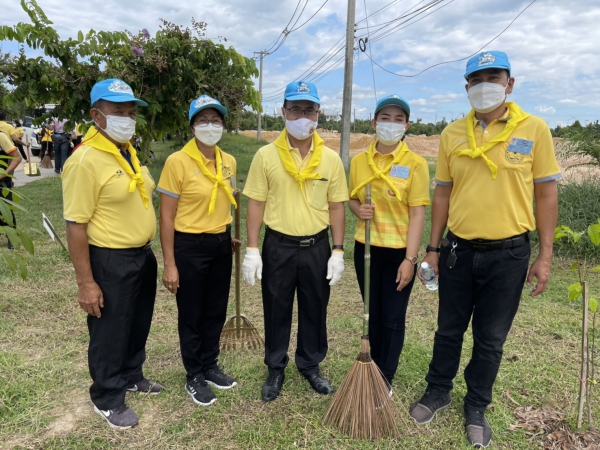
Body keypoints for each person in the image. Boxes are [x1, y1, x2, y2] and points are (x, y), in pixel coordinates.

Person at [408, 51, 561, 448]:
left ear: (510, 84)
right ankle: (437, 390)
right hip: (457, 251)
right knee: (448, 329)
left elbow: (546, 193)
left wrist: (544, 256)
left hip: (509, 255)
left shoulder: (534, 129)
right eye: (476, 79)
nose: (484, 85)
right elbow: (442, 194)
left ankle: (476, 405)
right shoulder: (452, 134)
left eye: (493, 77)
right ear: (466, 87)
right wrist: (433, 248)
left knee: (491, 338)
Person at [62, 78, 161, 430]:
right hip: (110, 259)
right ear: (96, 115)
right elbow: (76, 224)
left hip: (142, 255)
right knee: (110, 330)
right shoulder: (84, 160)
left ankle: (132, 374)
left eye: (132, 112)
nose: (128, 118)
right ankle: (107, 396)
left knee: (137, 322)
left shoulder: (126, 150)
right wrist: (86, 282)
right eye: (119, 111)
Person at [242, 81, 348, 402]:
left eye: (309, 110)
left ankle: (310, 364)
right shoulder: (265, 156)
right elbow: (256, 203)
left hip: (317, 246)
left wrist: (338, 250)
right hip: (279, 246)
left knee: (315, 307)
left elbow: (336, 206)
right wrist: (252, 249)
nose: (303, 116)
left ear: (318, 113)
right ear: (283, 111)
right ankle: (276, 367)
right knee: (276, 307)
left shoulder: (330, 159)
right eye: (296, 109)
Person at [158, 95, 239, 407]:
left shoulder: (228, 161)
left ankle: (209, 364)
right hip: (189, 246)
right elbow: (167, 217)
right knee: (192, 313)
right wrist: (170, 263)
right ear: (192, 126)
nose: (210, 126)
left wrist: (226, 234)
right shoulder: (177, 162)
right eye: (203, 120)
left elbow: (228, 199)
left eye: (215, 120)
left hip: (221, 244)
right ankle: (194, 373)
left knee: (216, 309)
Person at [348, 95, 429, 388]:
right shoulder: (359, 161)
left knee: (392, 317)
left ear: (406, 126)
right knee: (372, 313)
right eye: (385, 118)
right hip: (366, 248)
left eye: (398, 119)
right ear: (374, 122)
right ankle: (372, 367)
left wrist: (410, 259)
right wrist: (358, 209)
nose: (391, 124)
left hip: (398, 252)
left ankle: (385, 377)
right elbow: (352, 199)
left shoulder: (416, 164)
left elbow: (417, 214)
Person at [0, 131, 22, 249]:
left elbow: (17, 157)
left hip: (2, 181)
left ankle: (12, 237)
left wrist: (4, 174)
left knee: (5, 209)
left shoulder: (1, 137)